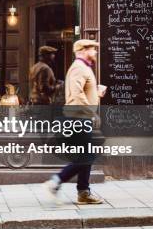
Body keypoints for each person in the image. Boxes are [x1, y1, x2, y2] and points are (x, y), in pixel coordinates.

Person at [43, 39, 106, 204]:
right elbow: (77, 95)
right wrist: (91, 114)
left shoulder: (83, 68)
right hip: (78, 118)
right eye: (93, 49)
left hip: (80, 117)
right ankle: (55, 182)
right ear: (83, 50)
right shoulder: (79, 68)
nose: (96, 52)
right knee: (87, 155)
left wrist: (96, 93)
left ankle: (83, 192)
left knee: (86, 155)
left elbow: (82, 92)